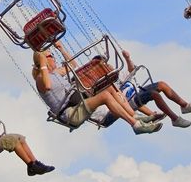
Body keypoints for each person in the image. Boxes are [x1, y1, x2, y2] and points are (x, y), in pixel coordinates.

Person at [32, 42, 163, 134]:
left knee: (108, 86)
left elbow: (72, 64)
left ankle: (134, 116)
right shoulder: (40, 79)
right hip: (70, 113)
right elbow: (47, 86)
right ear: (44, 60)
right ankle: (136, 125)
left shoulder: (55, 73)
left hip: (77, 103)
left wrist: (61, 48)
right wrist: (42, 64)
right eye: (50, 56)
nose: (54, 58)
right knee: (104, 96)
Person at [91, 49, 191, 129]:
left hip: (135, 94)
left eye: (106, 64)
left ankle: (185, 106)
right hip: (127, 102)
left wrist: (127, 58)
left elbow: (131, 70)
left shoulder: (118, 76)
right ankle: (175, 119)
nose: (107, 66)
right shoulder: (101, 84)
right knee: (154, 94)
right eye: (103, 65)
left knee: (162, 84)